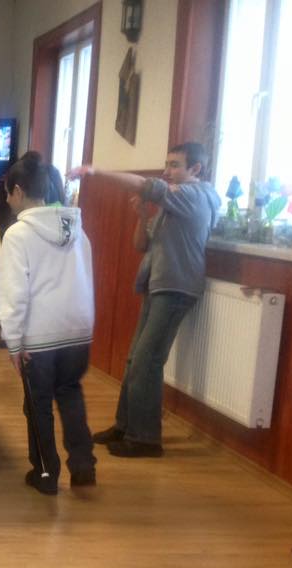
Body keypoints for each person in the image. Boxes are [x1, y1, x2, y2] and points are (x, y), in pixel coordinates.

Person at [69, 142, 221, 457]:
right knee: (134, 360)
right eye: (167, 164)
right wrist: (141, 214)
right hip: (158, 286)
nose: (167, 171)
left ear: (196, 169)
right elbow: (141, 244)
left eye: (175, 165)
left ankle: (145, 439)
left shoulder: (196, 196)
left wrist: (96, 171)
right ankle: (125, 426)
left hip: (176, 288)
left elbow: (145, 184)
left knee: (147, 361)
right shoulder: (173, 203)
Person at [0, 152, 96, 495]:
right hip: (78, 330)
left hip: (39, 337)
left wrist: (13, 342)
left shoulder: (17, 234)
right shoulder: (78, 228)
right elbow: (86, 279)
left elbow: (15, 292)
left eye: (7, 193)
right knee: (70, 394)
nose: (7, 200)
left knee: (37, 404)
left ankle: (45, 474)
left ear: (19, 191)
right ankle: (84, 467)